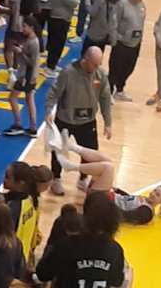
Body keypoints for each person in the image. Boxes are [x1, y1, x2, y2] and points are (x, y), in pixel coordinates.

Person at [45, 46, 113, 196]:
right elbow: (54, 92)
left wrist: (108, 123)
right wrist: (49, 110)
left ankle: (83, 178)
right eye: (94, 64)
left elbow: (105, 98)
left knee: (91, 152)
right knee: (58, 151)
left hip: (87, 121)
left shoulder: (100, 74)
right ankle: (56, 178)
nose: (97, 67)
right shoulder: (68, 72)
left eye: (99, 64)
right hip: (65, 119)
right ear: (85, 59)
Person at [109, 0, 146, 102]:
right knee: (115, 69)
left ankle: (120, 90)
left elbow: (141, 23)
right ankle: (108, 92)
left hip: (135, 43)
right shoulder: (121, 4)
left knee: (129, 68)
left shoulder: (142, 5)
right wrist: (115, 39)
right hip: (121, 43)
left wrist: (140, 39)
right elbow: (113, 23)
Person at [4, 15, 41, 136]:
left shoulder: (33, 42)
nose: (22, 28)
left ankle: (18, 124)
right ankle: (33, 126)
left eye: (24, 26)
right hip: (30, 76)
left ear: (31, 27)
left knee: (12, 98)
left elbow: (32, 62)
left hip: (26, 76)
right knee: (29, 99)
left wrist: (20, 52)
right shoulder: (30, 40)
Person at [44, 0, 78, 74]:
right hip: (58, 20)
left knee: (59, 43)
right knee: (56, 44)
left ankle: (52, 64)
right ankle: (50, 66)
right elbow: (74, 3)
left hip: (62, 19)